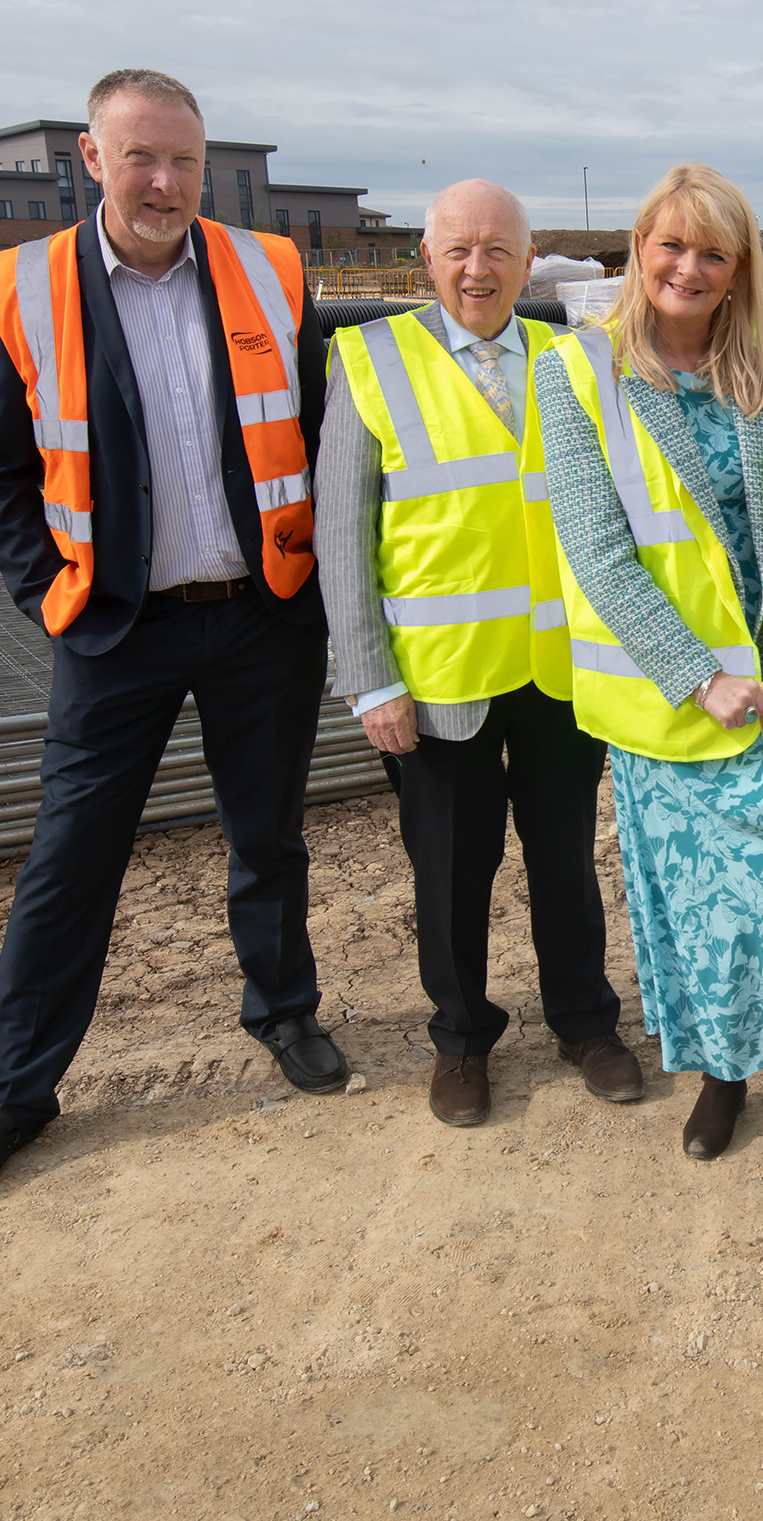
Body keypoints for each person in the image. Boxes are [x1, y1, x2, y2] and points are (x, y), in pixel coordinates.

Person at [0, 68, 339, 1209]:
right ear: (91, 161)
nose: (165, 182)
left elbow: (313, 429)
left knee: (269, 837)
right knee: (70, 860)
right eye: (141, 158)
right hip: (117, 632)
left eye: (185, 161)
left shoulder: (269, 270)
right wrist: (46, 590)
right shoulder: (22, 286)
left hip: (260, 618)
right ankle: (15, 1088)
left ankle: (285, 1012)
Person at [532, 164, 763, 1161]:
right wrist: (701, 676)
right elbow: (600, 554)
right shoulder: (578, 374)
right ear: (639, 251)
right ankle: (726, 1076)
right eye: (671, 245)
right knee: (714, 909)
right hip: (677, 706)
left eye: (712, 251)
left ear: (738, 267)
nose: (688, 268)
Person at [320, 178, 638, 1128]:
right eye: (457, 249)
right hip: (439, 681)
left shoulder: (572, 358)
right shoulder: (369, 361)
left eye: (499, 249)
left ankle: (585, 1020)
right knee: (450, 874)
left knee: (566, 863)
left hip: (555, 673)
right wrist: (370, 679)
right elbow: (342, 535)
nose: (477, 268)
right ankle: (461, 1039)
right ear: (427, 258)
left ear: (527, 261)